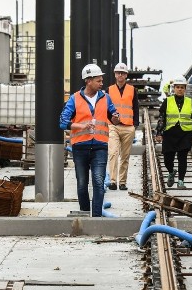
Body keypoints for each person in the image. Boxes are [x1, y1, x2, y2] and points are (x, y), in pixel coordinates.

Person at [59, 63, 121, 216]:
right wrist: (81, 126)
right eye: (99, 81)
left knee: (99, 182)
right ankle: (85, 213)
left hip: (100, 146)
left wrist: (116, 118)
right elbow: (62, 122)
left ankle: (97, 216)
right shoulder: (74, 99)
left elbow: (115, 120)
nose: (102, 83)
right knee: (82, 184)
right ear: (88, 81)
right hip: (80, 147)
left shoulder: (106, 98)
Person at [154, 76, 192, 189]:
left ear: (185, 89)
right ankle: (171, 172)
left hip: (185, 134)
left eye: (182, 87)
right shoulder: (167, 102)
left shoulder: (190, 102)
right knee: (167, 159)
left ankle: (181, 181)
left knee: (183, 158)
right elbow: (162, 119)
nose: (180, 89)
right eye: (177, 87)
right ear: (174, 88)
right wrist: (159, 133)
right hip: (170, 134)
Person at [107, 62, 139, 191]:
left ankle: (123, 182)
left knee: (125, 155)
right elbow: (105, 108)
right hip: (113, 126)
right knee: (113, 153)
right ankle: (113, 181)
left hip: (128, 127)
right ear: (115, 74)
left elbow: (136, 107)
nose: (120, 75)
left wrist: (135, 125)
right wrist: (109, 121)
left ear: (126, 75)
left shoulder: (132, 90)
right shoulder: (109, 90)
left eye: (123, 73)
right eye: (118, 72)